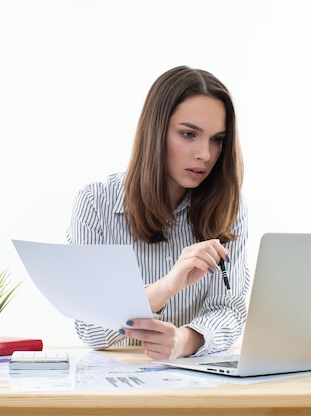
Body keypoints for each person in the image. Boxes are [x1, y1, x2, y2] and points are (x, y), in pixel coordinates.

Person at [66, 66, 250, 360]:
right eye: (189, 134)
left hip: (196, 381)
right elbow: (91, 327)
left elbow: (229, 310)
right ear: (156, 131)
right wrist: (165, 287)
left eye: (217, 139)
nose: (205, 153)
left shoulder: (229, 207)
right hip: (118, 383)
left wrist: (183, 341)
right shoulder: (95, 203)